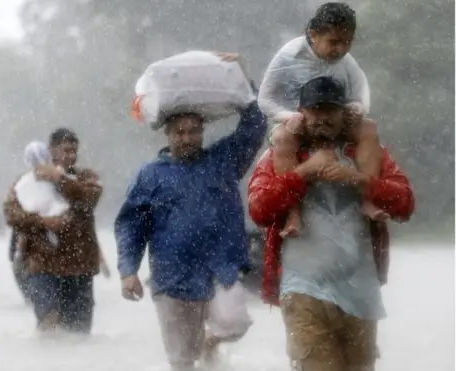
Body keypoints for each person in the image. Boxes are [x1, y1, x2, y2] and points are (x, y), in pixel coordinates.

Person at [248, 76, 415, 371]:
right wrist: (302, 174)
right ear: (301, 112)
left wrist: (359, 180)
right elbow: (259, 209)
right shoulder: (279, 154)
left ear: (344, 113)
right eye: (315, 110)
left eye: (330, 111)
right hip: (303, 291)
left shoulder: (366, 154)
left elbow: (404, 203)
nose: (322, 119)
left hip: (361, 293)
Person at [115, 64, 267, 371]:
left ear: (202, 131)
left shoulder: (223, 161)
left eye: (194, 131)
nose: (187, 138)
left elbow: (255, 125)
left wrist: (240, 80)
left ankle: (210, 343)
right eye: (180, 132)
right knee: (181, 361)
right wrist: (128, 270)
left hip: (219, 267)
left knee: (234, 322)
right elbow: (131, 226)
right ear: (168, 134)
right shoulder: (150, 175)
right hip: (172, 277)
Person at [258, 2, 385, 238]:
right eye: (334, 42)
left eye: (347, 42)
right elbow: (264, 99)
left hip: (336, 122)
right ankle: (293, 212)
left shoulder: (346, 61)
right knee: (282, 136)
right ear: (313, 35)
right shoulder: (288, 55)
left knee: (368, 128)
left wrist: (357, 108)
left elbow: (362, 91)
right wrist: (289, 116)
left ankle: (368, 199)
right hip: (296, 123)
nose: (340, 49)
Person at [4, 128, 104, 334]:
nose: (71, 156)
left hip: (79, 266)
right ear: (51, 151)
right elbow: (11, 215)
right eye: (66, 150)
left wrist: (59, 179)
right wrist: (42, 222)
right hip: (42, 265)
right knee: (49, 325)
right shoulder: (26, 182)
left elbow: (87, 200)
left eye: (74, 151)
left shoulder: (86, 177)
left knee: (79, 332)